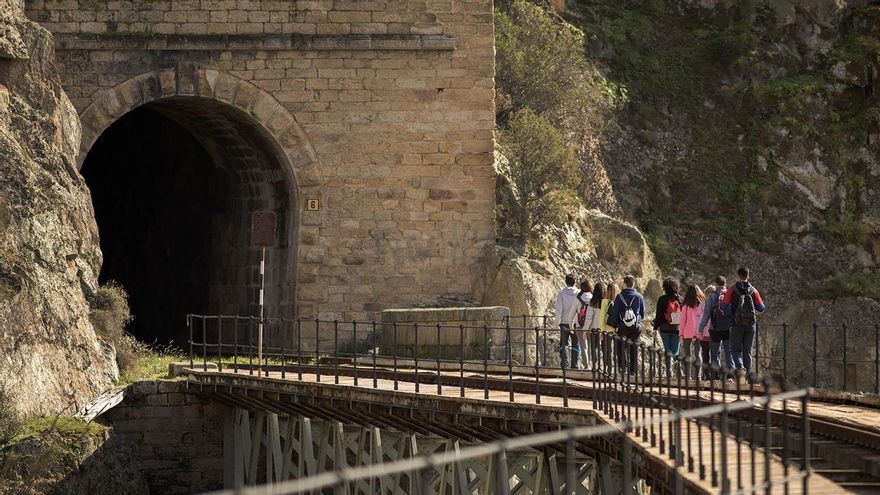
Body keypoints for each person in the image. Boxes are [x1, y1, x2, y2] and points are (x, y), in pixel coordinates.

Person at [721, 267, 766, 380]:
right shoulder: (753, 290)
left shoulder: (732, 289)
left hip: (736, 324)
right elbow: (761, 308)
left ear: (737, 276)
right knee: (748, 351)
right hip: (751, 325)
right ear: (748, 276)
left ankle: (740, 368)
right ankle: (747, 378)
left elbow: (723, 306)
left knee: (735, 350)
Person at [609, 276, 645, 374]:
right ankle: (633, 371)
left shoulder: (619, 297)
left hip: (622, 327)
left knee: (620, 346)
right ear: (633, 284)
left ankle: (622, 368)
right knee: (634, 348)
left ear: (625, 284)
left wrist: (615, 325)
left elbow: (615, 313)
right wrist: (637, 321)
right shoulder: (639, 297)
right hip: (635, 327)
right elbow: (642, 314)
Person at [700, 276, 734, 378]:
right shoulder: (731, 294)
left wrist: (701, 328)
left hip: (715, 328)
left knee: (715, 353)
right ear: (725, 283)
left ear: (716, 284)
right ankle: (730, 375)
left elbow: (706, 314)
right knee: (729, 352)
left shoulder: (711, 296)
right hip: (728, 328)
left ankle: (716, 375)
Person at [654, 278, 682, 378]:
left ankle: (669, 372)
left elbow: (658, 315)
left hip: (664, 329)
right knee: (676, 351)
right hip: (677, 329)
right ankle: (678, 372)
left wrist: (655, 328)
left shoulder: (662, 299)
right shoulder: (680, 299)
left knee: (667, 351)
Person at [679, 284, 706, 381]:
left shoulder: (686, 306)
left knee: (687, 355)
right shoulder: (702, 305)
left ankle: (688, 376)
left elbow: (683, 321)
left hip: (687, 333)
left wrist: (681, 334)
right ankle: (698, 376)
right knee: (698, 355)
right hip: (698, 333)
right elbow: (703, 320)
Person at [555, 274, 582, 370]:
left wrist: (556, 322)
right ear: (575, 282)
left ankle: (564, 364)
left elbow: (558, 309)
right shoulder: (579, 293)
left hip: (564, 322)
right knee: (576, 343)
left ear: (566, 282)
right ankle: (574, 365)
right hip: (575, 322)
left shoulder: (561, 293)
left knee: (563, 344)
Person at [581, 282, 604, 370]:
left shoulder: (592, 302)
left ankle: (595, 365)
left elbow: (588, 318)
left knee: (594, 347)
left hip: (593, 329)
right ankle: (604, 366)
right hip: (603, 329)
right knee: (604, 348)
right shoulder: (605, 302)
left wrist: (585, 330)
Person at [600, 283, 619, 369]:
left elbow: (602, 317)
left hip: (606, 329)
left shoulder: (604, 301)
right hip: (615, 329)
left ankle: (608, 368)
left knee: (607, 350)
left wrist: (601, 331)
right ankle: (617, 368)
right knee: (616, 350)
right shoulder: (618, 301)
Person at [575, 280, 593, 370]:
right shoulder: (593, 298)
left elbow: (572, 312)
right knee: (590, 346)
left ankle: (586, 366)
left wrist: (571, 324)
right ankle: (591, 364)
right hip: (590, 326)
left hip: (580, 325)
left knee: (583, 346)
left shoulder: (578, 298)